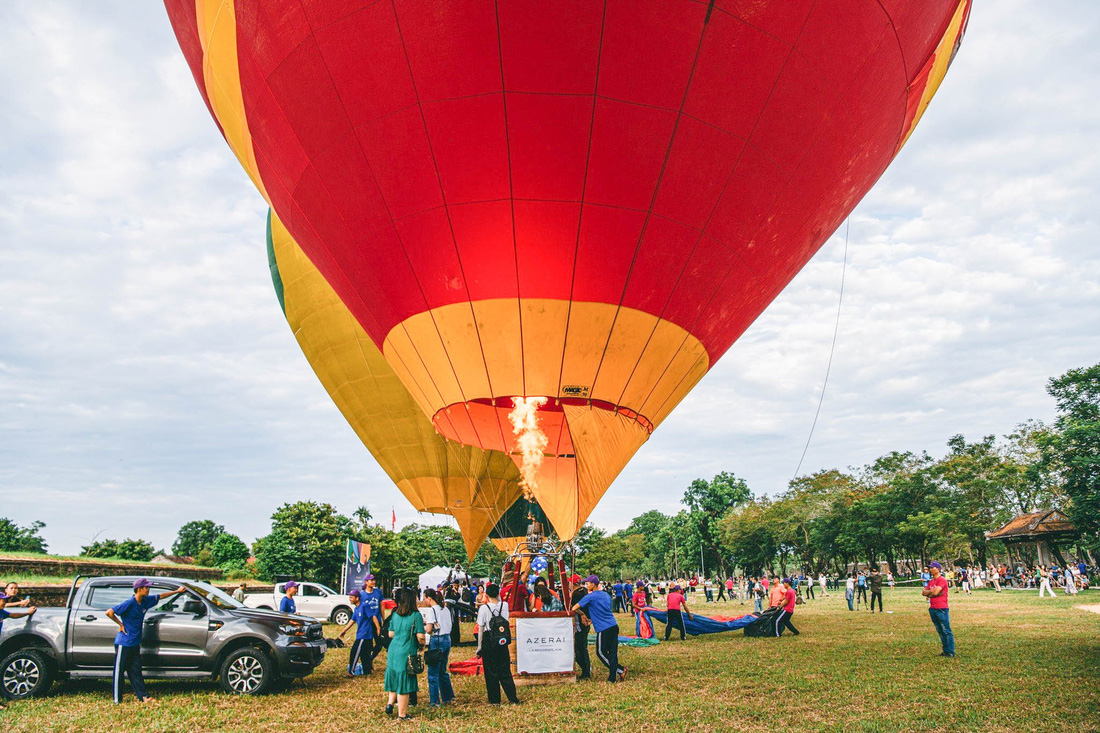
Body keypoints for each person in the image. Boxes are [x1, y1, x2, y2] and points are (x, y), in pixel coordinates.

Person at [106, 578, 186, 704]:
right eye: (146, 587)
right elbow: (109, 612)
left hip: (135, 643)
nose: (149, 589)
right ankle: (117, 699)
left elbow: (161, 596)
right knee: (119, 671)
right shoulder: (129, 603)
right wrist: (121, 624)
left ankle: (144, 697)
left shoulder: (145, 601)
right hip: (124, 643)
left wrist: (177, 591)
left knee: (136, 671)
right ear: (139, 589)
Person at [573, 575, 625, 683]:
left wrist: (582, 614)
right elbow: (603, 611)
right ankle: (612, 678)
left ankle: (620, 670)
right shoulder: (606, 595)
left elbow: (574, 608)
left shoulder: (590, 596)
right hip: (613, 625)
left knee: (601, 653)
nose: (586, 586)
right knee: (612, 652)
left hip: (604, 628)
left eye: (588, 584)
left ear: (593, 584)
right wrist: (592, 619)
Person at [384, 587, 425, 720]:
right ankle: (402, 714)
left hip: (393, 650)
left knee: (394, 677)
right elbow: (420, 635)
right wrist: (422, 644)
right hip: (406, 652)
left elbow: (390, 633)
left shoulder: (395, 614)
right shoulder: (416, 615)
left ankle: (390, 703)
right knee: (404, 684)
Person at [477, 583, 519, 704]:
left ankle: (495, 700)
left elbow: (481, 628)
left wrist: (479, 647)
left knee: (491, 672)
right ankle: (512, 697)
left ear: (486, 594)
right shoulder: (504, 606)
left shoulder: (484, 608)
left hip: (489, 639)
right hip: (502, 639)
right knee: (505, 670)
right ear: (498, 593)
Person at [421, 589, 455, 706]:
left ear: (429, 598)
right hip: (447, 639)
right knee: (442, 670)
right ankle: (448, 697)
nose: (424, 601)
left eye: (425, 598)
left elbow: (429, 630)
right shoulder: (445, 608)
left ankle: (435, 701)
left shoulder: (432, 610)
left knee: (433, 673)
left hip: (437, 640)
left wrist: (423, 626)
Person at [337, 589, 379, 676]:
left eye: (351, 597)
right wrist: (344, 631)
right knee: (365, 654)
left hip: (364, 634)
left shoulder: (364, 606)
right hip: (361, 634)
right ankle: (368, 671)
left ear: (357, 598)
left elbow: (373, 617)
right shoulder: (356, 608)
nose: (350, 599)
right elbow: (352, 620)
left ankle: (351, 672)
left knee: (354, 652)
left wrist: (378, 628)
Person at [922, 561, 954, 657]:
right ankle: (945, 650)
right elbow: (924, 592)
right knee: (940, 630)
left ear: (938, 569)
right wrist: (932, 592)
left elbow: (935, 593)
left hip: (941, 608)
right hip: (933, 608)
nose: (930, 570)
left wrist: (930, 593)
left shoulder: (942, 580)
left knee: (946, 630)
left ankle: (950, 651)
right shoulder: (931, 581)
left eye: (932, 568)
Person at [360, 574, 385, 667]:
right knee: (368, 644)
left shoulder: (378, 592)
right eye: (371, 580)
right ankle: (367, 663)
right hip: (367, 622)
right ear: (366, 582)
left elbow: (382, 606)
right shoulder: (362, 594)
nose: (373, 582)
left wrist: (383, 619)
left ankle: (370, 658)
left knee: (379, 643)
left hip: (377, 621)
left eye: (374, 580)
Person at [570, 579, 592, 680]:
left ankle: (586, 671)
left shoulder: (576, 594)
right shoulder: (584, 591)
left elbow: (573, 607)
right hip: (586, 623)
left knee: (579, 650)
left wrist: (581, 614)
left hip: (581, 624)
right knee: (583, 648)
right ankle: (586, 670)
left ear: (572, 583)